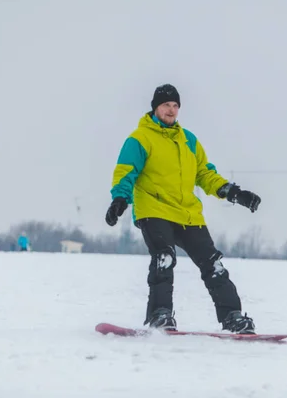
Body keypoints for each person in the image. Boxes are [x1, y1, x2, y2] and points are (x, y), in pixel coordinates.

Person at [105, 84, 261, 334]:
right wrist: (119, 199)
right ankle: (160, 315)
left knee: (214, 264)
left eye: (175, 106)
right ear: (155, 107)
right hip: (154, 209)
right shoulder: (140, 138)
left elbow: (205, 174)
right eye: (166, 105)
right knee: (164, 258)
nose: (171, 110)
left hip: (188, 213)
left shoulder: (189, 140)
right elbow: (126, 171)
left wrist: (233, 192)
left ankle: (233, 317)